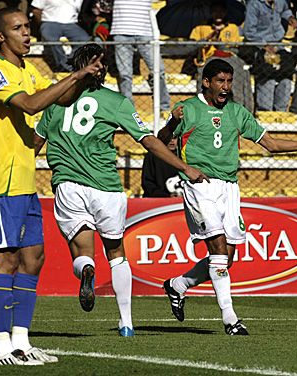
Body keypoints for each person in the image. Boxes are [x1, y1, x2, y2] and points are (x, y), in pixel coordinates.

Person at [34, 43, 206, 338]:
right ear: (102, 70)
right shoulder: (116, 102)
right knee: (116, 254)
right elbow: (149, 140)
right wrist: (184, 167)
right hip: (107, 189)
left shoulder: (54, 102)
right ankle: (126, 322)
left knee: (82, 252)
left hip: (68, 185)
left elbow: (33, 146)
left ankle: (87, 270)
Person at [0, 7, 104, 365]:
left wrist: (86, 78)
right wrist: (76, 74)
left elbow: (58, 98)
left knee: (34, 259)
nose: (26, 33)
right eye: (17, 28)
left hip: (26, 180)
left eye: (28, 27)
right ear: (1, 36)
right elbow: (31, 103)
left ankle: (21, 341)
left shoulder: (27, 69)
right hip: (2, 179)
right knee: (6, 260)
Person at [159, 59, 297, 335]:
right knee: (219, 250)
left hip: (229, 188)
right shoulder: (187, 109)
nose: (226, 87)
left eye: (229, 81)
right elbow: (161, 139)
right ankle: (230, 318)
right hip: (200, 186)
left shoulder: (236, 112)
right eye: (220, 81)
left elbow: (270, 144)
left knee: (228, 257)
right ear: (207, 83)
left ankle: (178, 285)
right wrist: (171, 123)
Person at [189, 0, 254, 112]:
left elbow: (235, 48)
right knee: (203, 78)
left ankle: (240, 112)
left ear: (225, 12)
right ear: (211, 12)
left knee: (239, 78)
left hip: (229, 59)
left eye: (221, 11)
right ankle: (202, 110)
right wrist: (207, 40)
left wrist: (221, 44)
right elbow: (192, 47)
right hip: (209, 59)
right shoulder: (201, 27)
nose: (218, 14)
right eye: (215, 11)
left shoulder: (233, 28)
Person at [110, 0, 170, 113]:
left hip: (146, 32)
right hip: (121, 31)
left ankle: (164, 107)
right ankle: (128, 111)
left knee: (159, 70)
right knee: (125, 74)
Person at [241, 0, 297, 112]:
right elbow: (249, 32)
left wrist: (290, 17)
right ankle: (264, 111)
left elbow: (285, 10)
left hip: (279, 45)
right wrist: (264, 45)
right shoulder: (254, 4)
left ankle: (281, 111)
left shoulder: (280, 2)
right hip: (260, 46)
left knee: (286, 75)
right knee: (268, 76)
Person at [31, 0, 90, 72]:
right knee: (51, 40)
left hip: (71, 23)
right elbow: (36, 10)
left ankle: (69, 63)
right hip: (50, 21)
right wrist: (43, 23)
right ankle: (63, 67)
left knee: (85, 40)